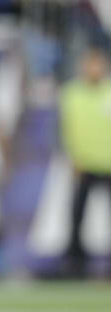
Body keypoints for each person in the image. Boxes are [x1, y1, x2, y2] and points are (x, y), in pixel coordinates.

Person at [59, 49, 111, 278]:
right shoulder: (72, 93)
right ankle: (75, 265)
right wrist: (72, 157)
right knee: (77, 217)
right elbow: (65, 129)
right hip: (84, 163)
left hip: (108, 163)